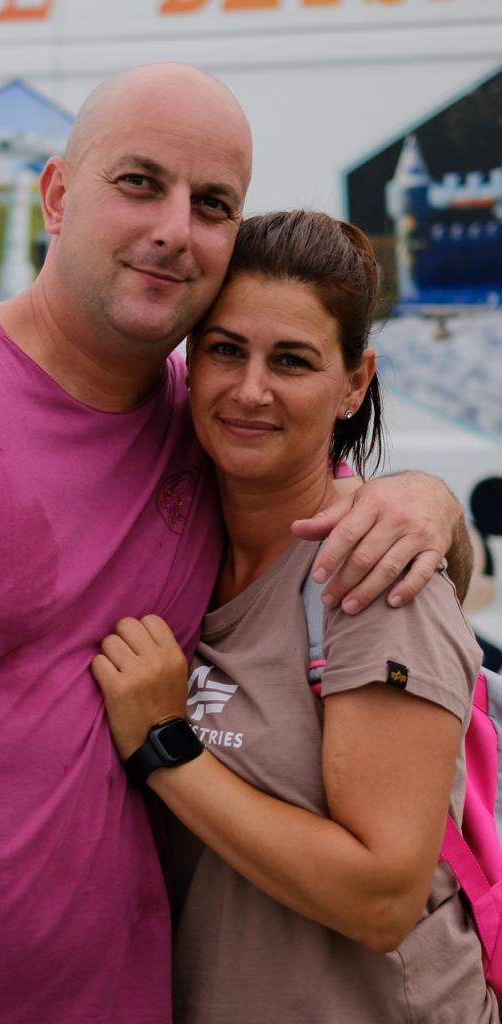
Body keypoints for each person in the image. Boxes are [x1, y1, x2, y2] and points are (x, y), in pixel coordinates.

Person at [0, 66, 470, 1024]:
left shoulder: (200, 428)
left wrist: (430, 503)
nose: (174, 228)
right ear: (55, 195)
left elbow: (353, 536)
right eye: (139, 182)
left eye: (212, 204)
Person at [92, 211, 497, 1023]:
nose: (250, 390)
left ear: (354, 381)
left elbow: (381, 898)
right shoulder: (165, 554)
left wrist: (165, 746)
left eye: (291, 360)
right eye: (225, 350)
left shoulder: (371, 577)